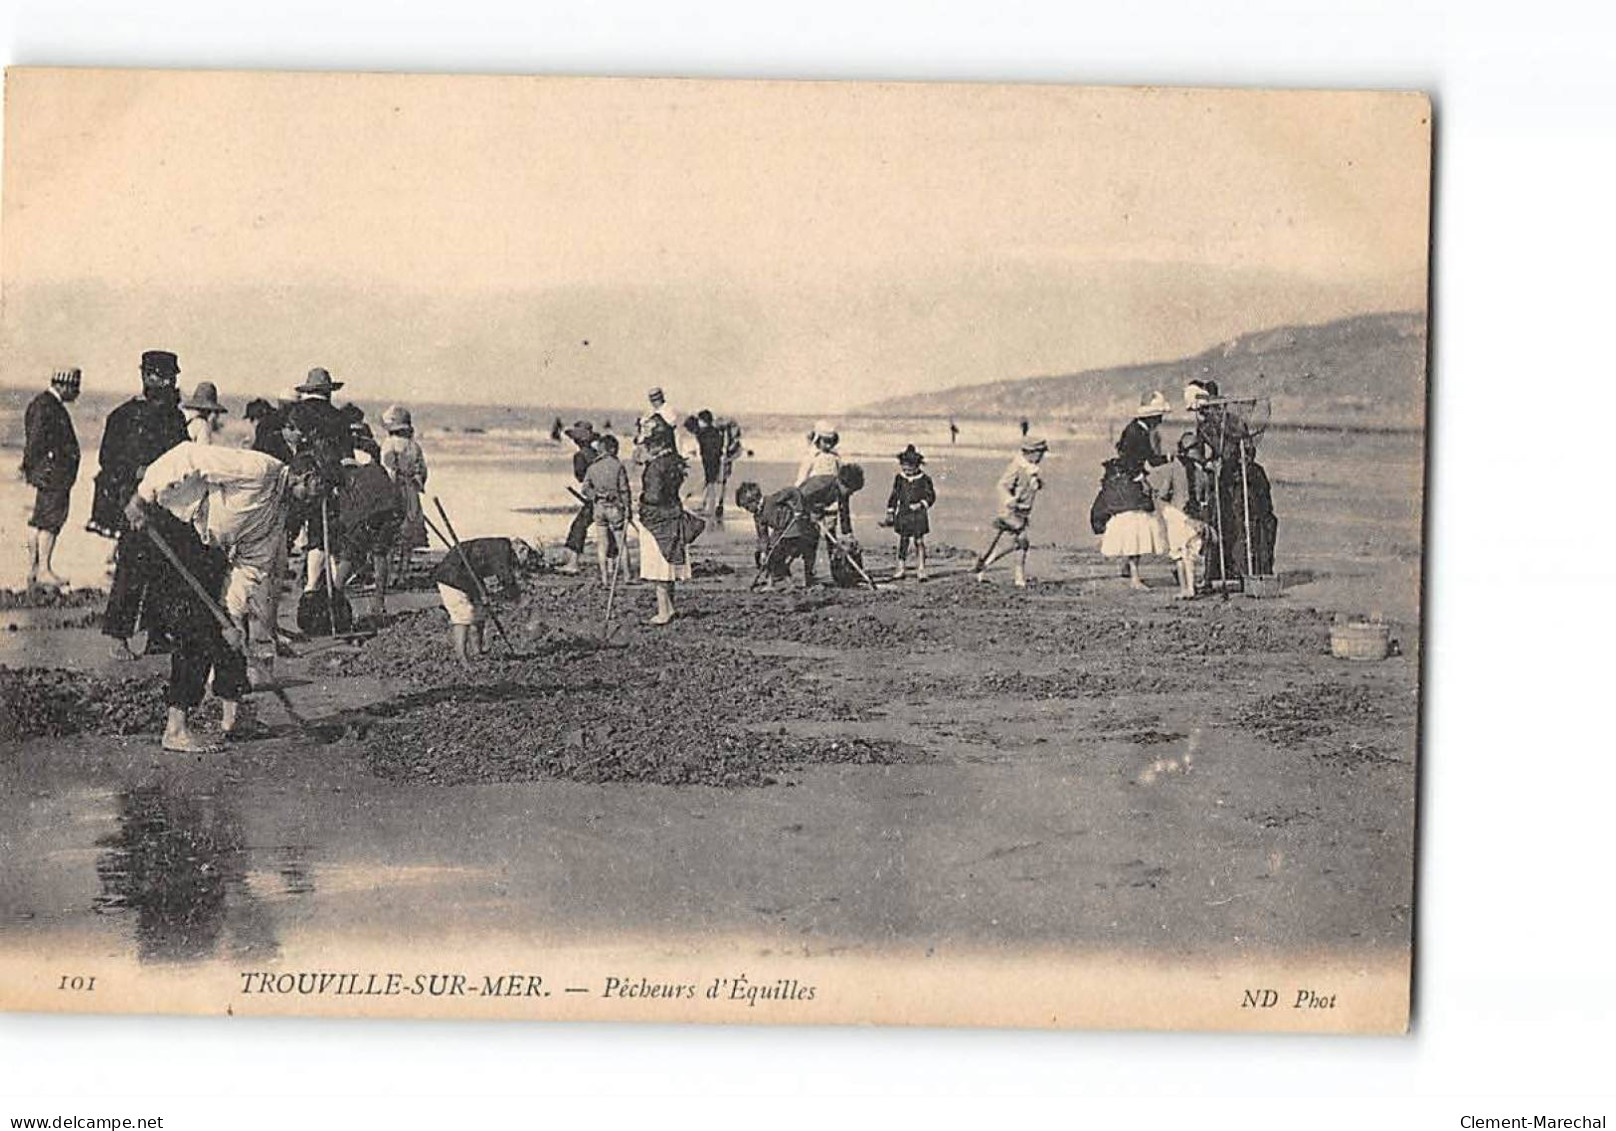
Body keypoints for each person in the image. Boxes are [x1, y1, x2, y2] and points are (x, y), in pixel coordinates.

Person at [132, 437, 300, 686]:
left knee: (227, 622)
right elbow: (189, 455)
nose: (316, 502)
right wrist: (141, 497)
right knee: (191, 622)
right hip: (173, 517)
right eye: (321, 490)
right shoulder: (259, 469)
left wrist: (232, 613)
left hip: (208, 545)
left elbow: (252, 564)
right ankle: (179, 716)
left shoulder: (279, 511)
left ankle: (226, 703)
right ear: (308, 477)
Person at [94, 350, 189, 660]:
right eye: (163, 377)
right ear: (147, 377)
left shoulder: (175, 417)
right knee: (131, 570)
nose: (169, 383)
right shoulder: (124, 416)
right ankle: (117, 638)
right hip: (134, 502)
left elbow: (183, 455)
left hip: (167, 503)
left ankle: (157, 635)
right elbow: (108, 462)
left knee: (165, 569)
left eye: (172, 378)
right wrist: (133, 482)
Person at [286, 368, 353, 598]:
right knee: (321, 534)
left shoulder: (296, 412)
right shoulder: (339, 417)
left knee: (289, 530)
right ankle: (314, 586)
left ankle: (281, 578)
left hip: (300, 479)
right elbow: (347, 455)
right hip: (328, 481)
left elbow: (289, 443)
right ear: (328, 392)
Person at [21, 367, 82, 590]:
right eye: (75, 387)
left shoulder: (43, 404)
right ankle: (43, 570)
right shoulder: (48, 406)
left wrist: (32, 468)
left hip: (50, 473)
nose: (77, 392)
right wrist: (35, 467)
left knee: (41, 520)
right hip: (53, 474)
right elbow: (35, 441)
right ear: (63, 385)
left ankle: (35, 571)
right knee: (50, 521)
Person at [432, 536, 521, 667]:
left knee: (480, 612)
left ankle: (478, 652)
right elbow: (505, 575)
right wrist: (511, 594)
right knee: (464, 614)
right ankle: (462, 658)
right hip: (451, 578)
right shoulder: (502, 549)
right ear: (522, 550)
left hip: (468, 578)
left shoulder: (500, 547)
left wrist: (489, 594)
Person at [635, 416, 691, 625]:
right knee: (668, 564)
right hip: (673, 513)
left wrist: (640, 501)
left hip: (656, 518)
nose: (646, 448)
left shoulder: (656, 466)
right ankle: (671, 607)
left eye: (648, 444)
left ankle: (663, 611)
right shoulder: (674, 460)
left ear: (657, 444)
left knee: (658, 567)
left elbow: (654, 495)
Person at [974, 437, 1046, 588]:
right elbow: (1001, 485)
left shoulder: (1032, 468)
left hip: (1024, 511)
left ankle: (985, 565)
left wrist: (1038, 484)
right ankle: (1018, 577)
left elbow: (1029, 486)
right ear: (1030, 453)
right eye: (1040, 453)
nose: (1042, 457)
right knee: (1022, 541)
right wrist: (1009, 499)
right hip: (1010, 510)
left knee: (1014, 543)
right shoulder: (1016, 466)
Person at [1149, 433, 1213, 600]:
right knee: (1190, 554)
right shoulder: (1203, 471)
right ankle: (1191, 587)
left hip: (1177, 515)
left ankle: (1186, 588)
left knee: (1179, 554)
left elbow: (1163, 492)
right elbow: (1205, 495)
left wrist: (1158, 495)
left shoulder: (1173, 467)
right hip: (1195, 517)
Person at [1095, 457, 1167, 592]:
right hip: (1134, 518)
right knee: (1134, 548)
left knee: (1131, 548)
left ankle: (1130, 572)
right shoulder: (1133, 485)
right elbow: (1147, 502)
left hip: (1119, 520)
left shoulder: (1109, 486)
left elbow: (1099, 508)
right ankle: (1135, 578)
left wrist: (1099, 526)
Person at [379, 405, 429, 570]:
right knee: (409, 529)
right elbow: (423, 471)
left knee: (391, 529)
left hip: (395, 489)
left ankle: (389, 570)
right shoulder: (415, 446)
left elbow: (388, 469)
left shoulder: (389, 443)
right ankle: (404, 569)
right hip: (411, 490)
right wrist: (418, 483)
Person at [1219, 445, 1278, 582]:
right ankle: (1239, 574)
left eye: (1249, 455)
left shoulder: (1256, 471)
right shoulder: (1230, 471)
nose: (1246, 458)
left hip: (1257, 517)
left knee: (1261, 546)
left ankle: (1260, 574)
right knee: (1239, 545)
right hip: (1237, 517)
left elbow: (1264, 498)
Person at [581, 432, 633, 583]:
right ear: (613, 449)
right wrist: (628, 507)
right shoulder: (618, 466)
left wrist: (596, 495)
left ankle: (604, 578)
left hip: (599, 507)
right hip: (615, 507)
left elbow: (585, 489)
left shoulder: (593, 467)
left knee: (602, 544)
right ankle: (627, 575)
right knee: (621, 543)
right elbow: (624, 489)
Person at [884, 444, 935, 581]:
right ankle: (901, 568)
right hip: (904, 513)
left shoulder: (924, 479)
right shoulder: (899, 479)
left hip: (918, 515)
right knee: (903, 541)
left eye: (910, 468)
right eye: (904, 467)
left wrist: (921, 504)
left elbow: (931, 496)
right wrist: (890, 511)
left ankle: (921, 568)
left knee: (919, 541)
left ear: (917, 466)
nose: (907, 470)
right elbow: (894, 496)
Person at [555, 421, 600, 575]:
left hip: (593, 498)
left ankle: (573, 563)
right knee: (609, 531)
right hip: (604, 496)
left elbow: (581, 478)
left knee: (578, 527)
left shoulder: (580, 456)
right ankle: (612, 566)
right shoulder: (597, 453)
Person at [1117, 390, 1171, 474]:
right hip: (1131, 478)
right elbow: (1151, 460)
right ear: (1150, 417)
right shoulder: (1138, 433)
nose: (1160, 421)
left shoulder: (1135, 428)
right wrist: (1169, 458)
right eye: (1158, 417)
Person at [687, 410, 728, 518]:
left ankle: (710, 509)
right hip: (714, 459)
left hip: (710, 460)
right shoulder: (712, 431)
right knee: (710, 483)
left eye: (700, 420)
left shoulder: (704, 433)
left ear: (704, 421)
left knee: (711, 484)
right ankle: (706, 506)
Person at [245, 397, 293, 464]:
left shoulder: (263, 428)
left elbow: (259, 450)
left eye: (252, 419)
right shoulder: (277, 424)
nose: (251, 423)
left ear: (257, 417)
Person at [796, 420, 842, 485]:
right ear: (817, 439)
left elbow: (840, 475)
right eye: (825, 441)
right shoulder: (811, 456)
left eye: (831, 441)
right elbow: (802, 477)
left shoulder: (835, 457)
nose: (828, 445)